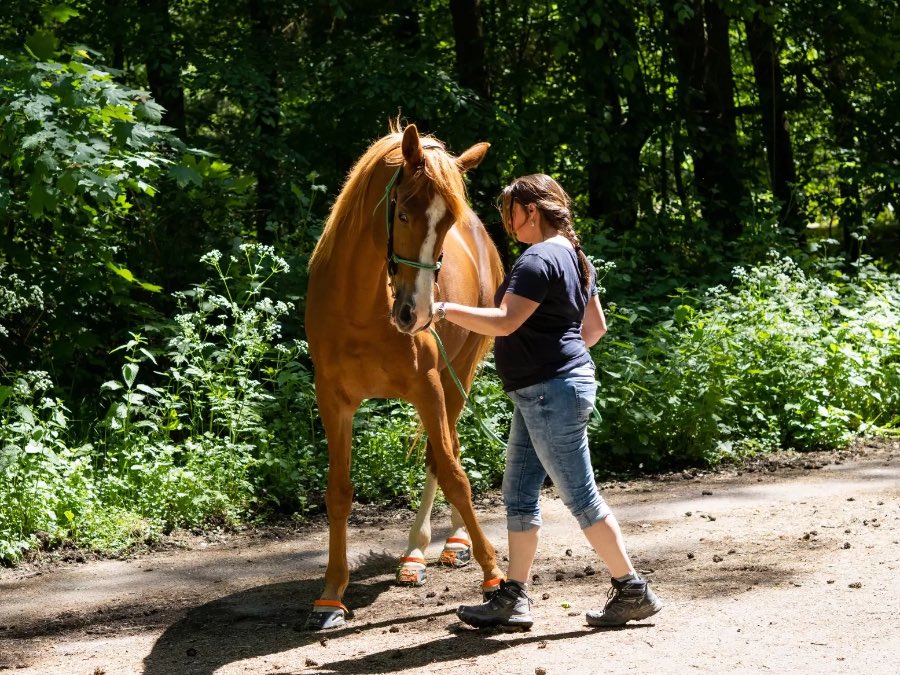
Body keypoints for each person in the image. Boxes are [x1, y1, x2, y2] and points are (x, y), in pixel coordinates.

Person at [431, 174, 662, 629]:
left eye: (510, 212)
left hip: (548, 394)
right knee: (517, 494)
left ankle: (633, 589)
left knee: (581, 497)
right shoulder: (576, 258)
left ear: (531, 211)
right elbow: (594, 330)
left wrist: (441, 310)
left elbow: (504, 321)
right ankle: (512, 598)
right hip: (544, 393)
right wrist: (560, 359)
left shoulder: (537, 259)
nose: (507, 222)